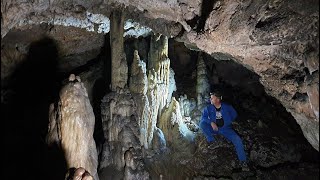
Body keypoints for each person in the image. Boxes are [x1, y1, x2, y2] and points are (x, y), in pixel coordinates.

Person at [199, 91, 249, 171]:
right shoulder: (208, 108)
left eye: (212, 98)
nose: (210, 99)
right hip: (214, 128)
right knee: (202, 124)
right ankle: (212, 141)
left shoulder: (227, 107)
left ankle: (243, 162)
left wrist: (228, 121)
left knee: (237, 139)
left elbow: (234, 114)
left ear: (218, 99)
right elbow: (203, 118)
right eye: (210, 98)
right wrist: (211, 122)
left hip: (226, 129)